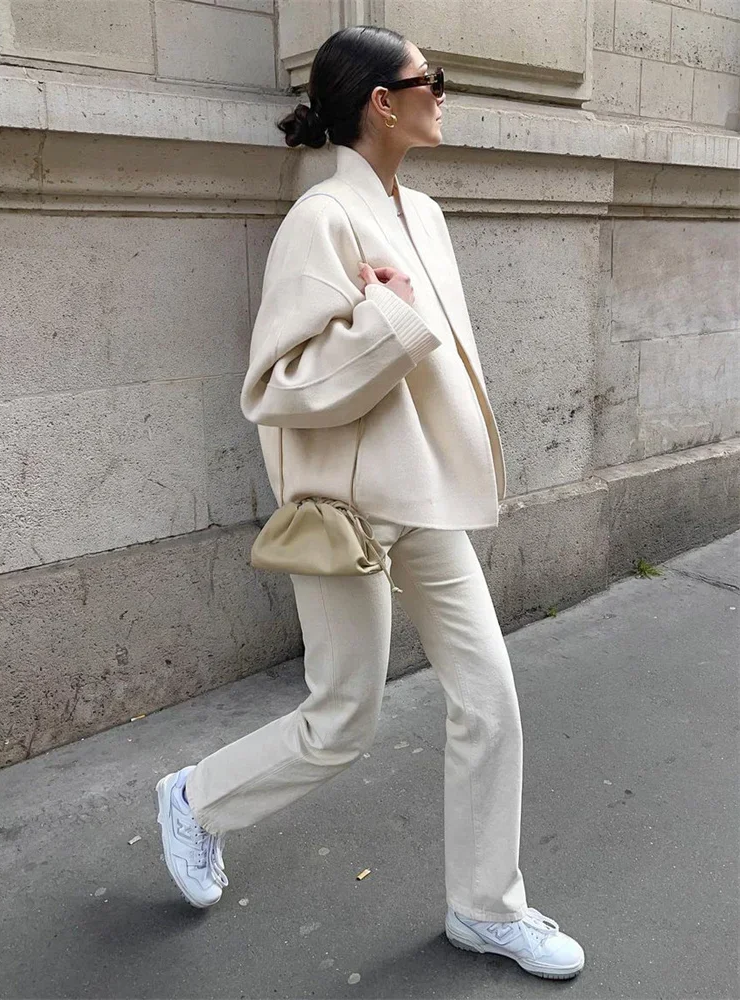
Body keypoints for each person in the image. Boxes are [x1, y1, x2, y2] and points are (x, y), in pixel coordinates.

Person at [155, 25, 585, 981]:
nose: (444, 93)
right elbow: (277, 387)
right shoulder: (320, 220)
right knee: (341, 719)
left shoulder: (422, 213)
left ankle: (486, 908)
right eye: (432, 79)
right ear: (382, 103)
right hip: (346, 514)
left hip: (421, 496)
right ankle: (193, 799)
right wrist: (387, 317)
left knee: (490, 699)